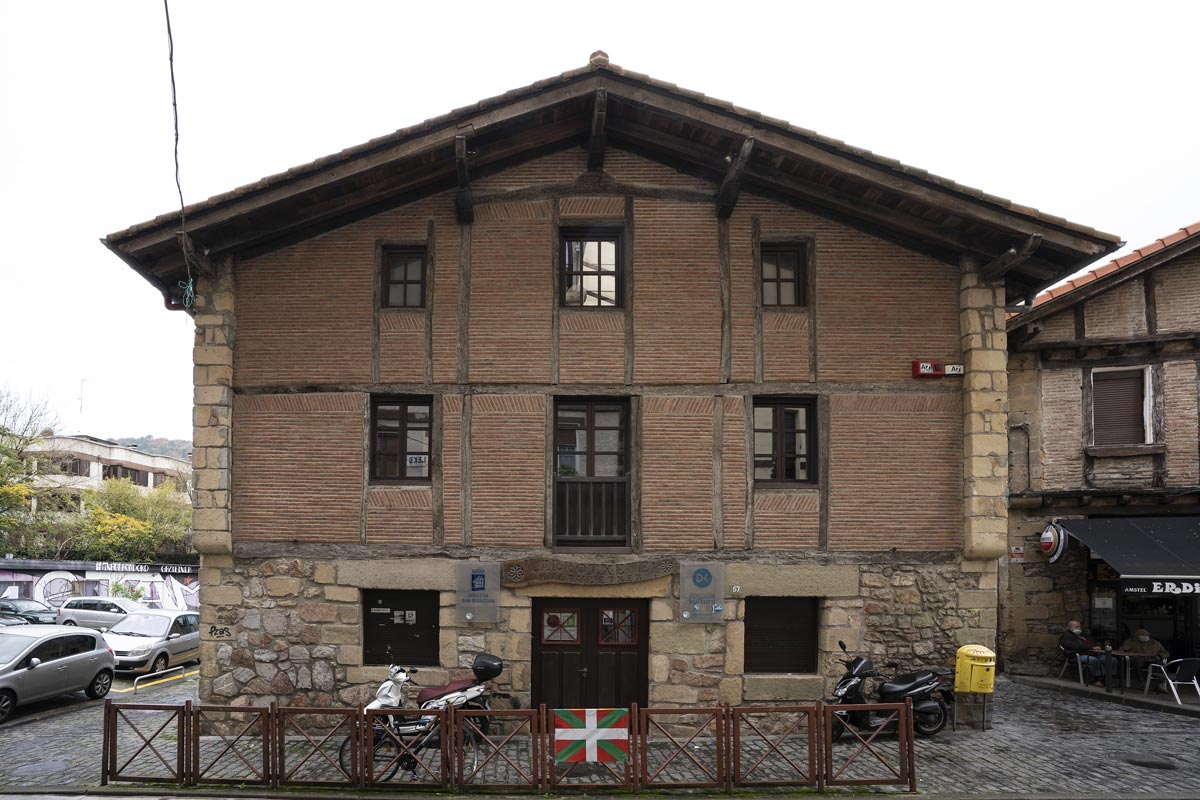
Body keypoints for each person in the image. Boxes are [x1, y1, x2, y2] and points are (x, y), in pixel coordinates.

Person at [1059, 620, 1116, 687]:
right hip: (1076, 655)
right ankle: (1096, 679)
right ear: (1069, 627)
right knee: (1094, 660)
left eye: (1079, 627)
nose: (1078, 628)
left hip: (1092, 653)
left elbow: (1093, 641)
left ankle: (1107, 679)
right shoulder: (1067, 636)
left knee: (1112, 659)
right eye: (1076, 627)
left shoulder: (1084, 635)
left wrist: (1098, 646)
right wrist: (1091, 647)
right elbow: (1076, 645)